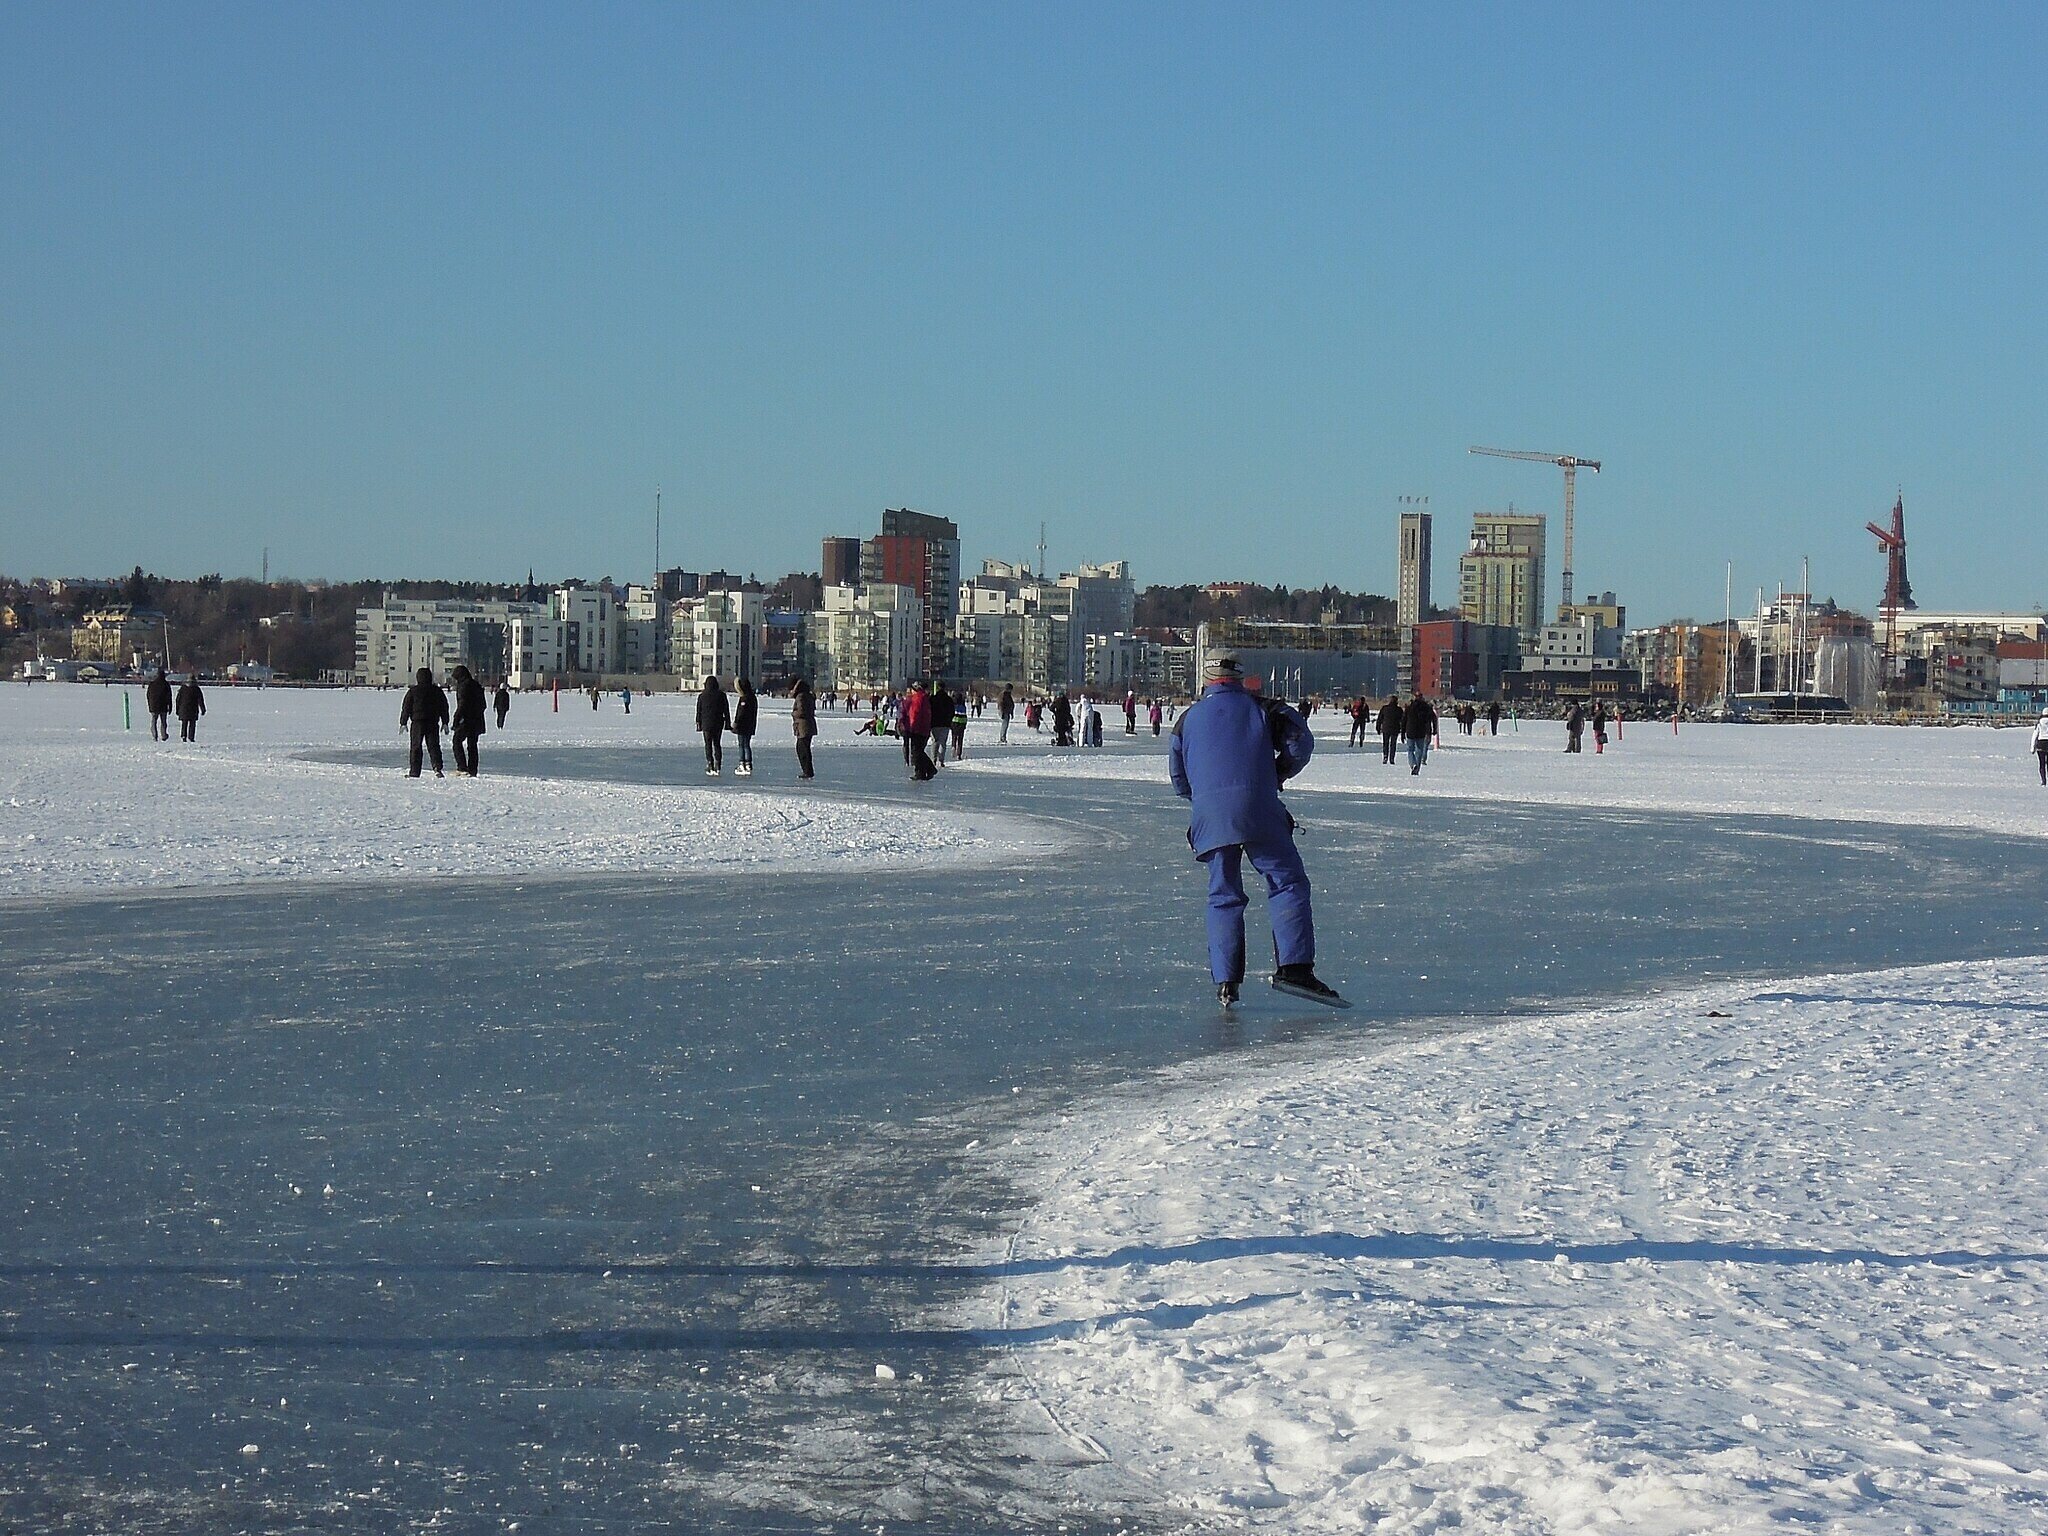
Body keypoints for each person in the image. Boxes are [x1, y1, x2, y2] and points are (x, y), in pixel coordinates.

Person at [1168, 652, 1345, 1009]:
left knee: (1223, 895)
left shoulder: (1186, 720)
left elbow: (1178, 779)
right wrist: (1276, 774)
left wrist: (1206, 799)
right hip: (1259, 809)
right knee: (1287, 882)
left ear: (1206, 679)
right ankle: (1293, 968)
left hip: (1210, 816)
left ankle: (1226, 981)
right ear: (1240, 678)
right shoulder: (1266, 708)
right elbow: (1300, 743)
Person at [400, 666, 449, 778]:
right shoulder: (437, 691)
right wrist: (445, 721)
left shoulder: (413, 691)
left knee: (416, 747)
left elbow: (406, 707)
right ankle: (437, 768)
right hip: (432, 722)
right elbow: (444, 707)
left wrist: (403, 722)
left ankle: (414, 771)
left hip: (417, 722)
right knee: (434, 746)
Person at [449, 664, 486, 776]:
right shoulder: (476, 685)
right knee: (472, 745)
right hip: (477, 720)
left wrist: (456, 719)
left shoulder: (464, 686)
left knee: (456, 741)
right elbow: (483, 705)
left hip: (466, 720)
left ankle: (462, 767)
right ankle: (472, 770)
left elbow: (462, 704)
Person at [901, 680, 937, 780]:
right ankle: (921, 772)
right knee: (918, 751)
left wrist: (912, 727)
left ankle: (929, 769)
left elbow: (915, 714)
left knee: (917, 752)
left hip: (919, 729)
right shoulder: (924, 698)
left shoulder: (917, 699)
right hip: (924, 728)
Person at [697, 674, 729, 775]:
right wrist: (727, 722)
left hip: (706, 723)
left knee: (708, 744)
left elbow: (699, 710)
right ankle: (718, 764)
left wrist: (698, 722)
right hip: (718, 723)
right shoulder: (722, 695)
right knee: (717, 744)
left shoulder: (702, 696)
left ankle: (709, 763)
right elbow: (726, 710)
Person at [1403, 692, 1437, 775]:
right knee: (1419, 750)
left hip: (1410, 731)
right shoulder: (1426, 707)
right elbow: (1433, 718)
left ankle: (1413, 764)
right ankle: (1417, 768)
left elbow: (1404, 720)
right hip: (1421, 731)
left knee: (1410, 749)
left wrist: (1402, 732)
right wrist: (1434, 729)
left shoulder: (1409, 707)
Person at [791, 677, 818, 780]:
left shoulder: (801, 697)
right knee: (804, 748)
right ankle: (807, 770)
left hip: (803, 725)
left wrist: (794, 713)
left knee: (802, 749)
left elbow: (802, 711)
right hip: (806, 725)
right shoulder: (808, 696)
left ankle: (807, 771)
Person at [732, 678, 758, 776]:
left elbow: (741, 712)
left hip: (743, 725)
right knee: (746, 744)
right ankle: (748, 764)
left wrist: (736, 723)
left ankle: (743, 763)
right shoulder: (752, 697)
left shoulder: (744, 698)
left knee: (742, 745)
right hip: (750, 724)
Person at [174, 674, 207, 743]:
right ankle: (191, 737)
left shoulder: (183, 688)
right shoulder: (197, 689)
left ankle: (183, 735)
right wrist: (203, 709)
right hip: (193, 709)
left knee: (184, 723)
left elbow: (178, 700)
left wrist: (177, 709)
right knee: (192, 724)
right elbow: (200, 700)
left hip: (183, 709)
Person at [145, 667, 172, 742]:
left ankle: (155, 736)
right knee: (163, 722)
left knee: (154, 721)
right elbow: (169, 696)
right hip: (163, 706)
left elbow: (148, 695)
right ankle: (163, 735)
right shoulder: (166, 684)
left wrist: (150, 704)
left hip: (154, 706)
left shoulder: (152, 684)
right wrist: (170, 707)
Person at [930, 681, 954, 765]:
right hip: (945, 724)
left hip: (934, 723)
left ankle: (933, 759)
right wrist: (949, 721)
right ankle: (941, 760)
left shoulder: (933, 698)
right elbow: (952, 712)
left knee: (935, 742)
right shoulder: (949, 699)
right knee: (943, 743)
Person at [1376, 696, 1403, 765]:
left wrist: (1378, 728)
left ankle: (1385, 756)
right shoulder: (1399, 710)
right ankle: (1392, 758)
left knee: (1386, 743)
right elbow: (1402, 720)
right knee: (1393, 744)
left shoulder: (1385, 708)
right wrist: (1403, 729)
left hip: (1386, 728)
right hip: (1395, 728)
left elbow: (1380, 719)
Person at [950, 690, 968, 760]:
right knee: (960, 739)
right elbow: (965, 716)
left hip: (954, 723)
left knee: (954, 736)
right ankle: (959, 754)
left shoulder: (954, 706)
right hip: (962, 724)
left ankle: (953, 746)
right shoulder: (963, 707)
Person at [2034, 707, 2048, 785]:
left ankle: (2043, 781)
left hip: (2041, 744)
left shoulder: (2039, 723)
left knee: (2041, 764)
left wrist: (2032, 747)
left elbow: (2035, 735)